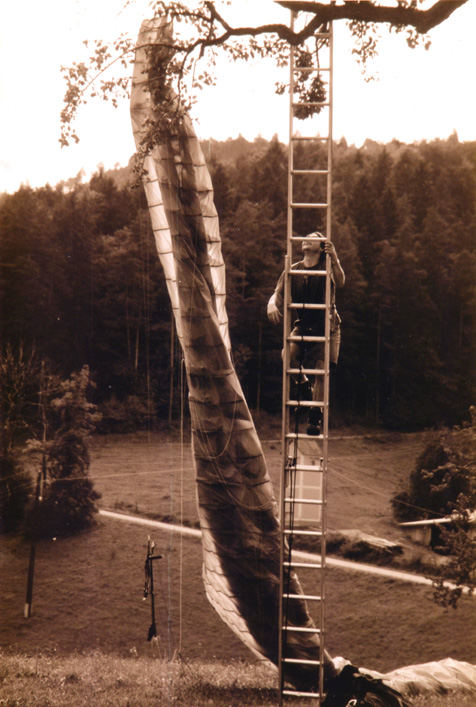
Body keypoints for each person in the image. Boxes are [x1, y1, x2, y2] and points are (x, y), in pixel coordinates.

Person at [267, 231, 345, 435]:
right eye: (305, 237)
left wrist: (335, 257)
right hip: (304, 324)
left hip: (327, 324)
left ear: (321, 248)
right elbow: (277, 292)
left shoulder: (326, 268)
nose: (305, 239)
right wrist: (271, 305)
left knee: (323, 368)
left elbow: (341, 280)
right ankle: (303, 385)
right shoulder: (293, 269)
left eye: (312, 238)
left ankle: (314, 416)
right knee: (287, 357)